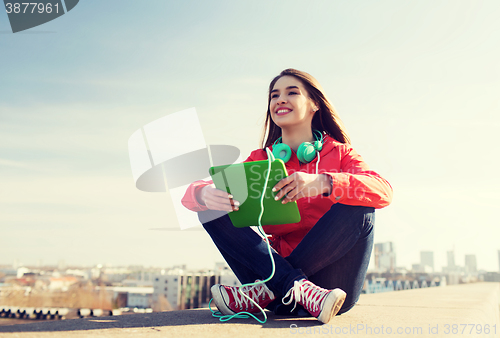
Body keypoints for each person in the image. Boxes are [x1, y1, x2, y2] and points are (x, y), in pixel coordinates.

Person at [181, 68, 393, 324]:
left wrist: (325, 182)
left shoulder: (340, 153)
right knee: (209, 206)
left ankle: (268, 290)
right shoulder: (261, 159)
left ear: (315, 103)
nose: (280, 99)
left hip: (331, 291)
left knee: (360, 208)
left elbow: (383, 190)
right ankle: (290, 285)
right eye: (274, 95)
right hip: (272, 276)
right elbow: (193, 194)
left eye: (292, 92)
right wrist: (203, 193)